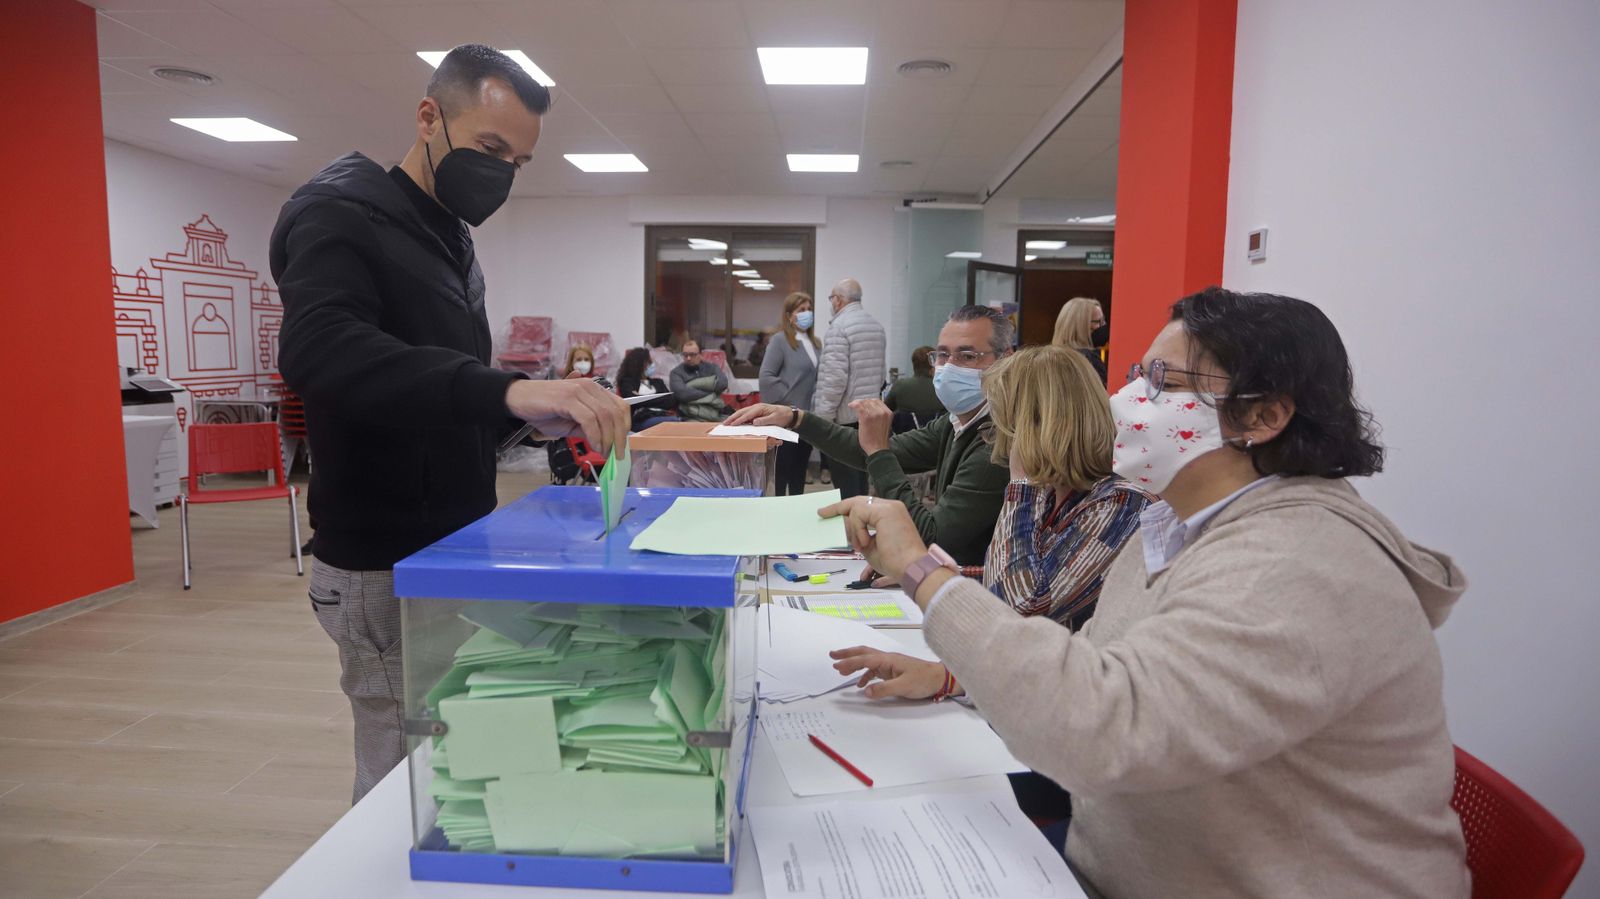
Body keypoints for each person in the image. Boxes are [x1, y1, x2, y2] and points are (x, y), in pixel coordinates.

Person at [826, 286, 1470, 899]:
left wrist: (919, 569)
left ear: (1263, 416)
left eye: (1163, 385)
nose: (1123, 402)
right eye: (1136, 375)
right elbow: (1112, 673)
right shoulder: (1175, 526)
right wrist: (953, 675)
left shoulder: (1297, 562)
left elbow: (1102, 731)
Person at [271, 45, 629, 803]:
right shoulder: (338, 211)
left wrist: (533, 423)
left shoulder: (449, 237)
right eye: (489, 148)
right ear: (428, 116)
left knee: (448, 765)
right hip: (383, 562)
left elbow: (443, 393)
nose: (501, 173)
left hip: (453, 545)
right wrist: (509, 390)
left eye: (519, 162)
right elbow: (321, 348)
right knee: (404, 786)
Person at [728, 305, 1011, 566]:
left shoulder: (995, 443)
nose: (949, 367)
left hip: (971, 590)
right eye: (943, 355)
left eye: (967, 356)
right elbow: (865, 448)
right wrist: (796, 418)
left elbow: (930, 536)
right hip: (944, 573)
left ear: (1004, 360)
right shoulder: (956, 424)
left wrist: (878, 451)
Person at [809, 277, 886, 499]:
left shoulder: (839, 328)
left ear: (839, 300)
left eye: (831, 298)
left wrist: (823, 418)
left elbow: (834, 379)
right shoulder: (876, 326)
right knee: (861, 474)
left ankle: (849, 529)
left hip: (843, 417)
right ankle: (863, 522)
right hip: (867, 415)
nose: (831, 303)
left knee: (844, 481)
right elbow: (881, 374)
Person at [758, 292, 821, 496]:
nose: (807, 313)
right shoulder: (780, 340)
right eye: (801, 310)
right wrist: (788, 402)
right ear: (789, 315)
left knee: (799, 472)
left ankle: (797, 513)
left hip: (807, 418)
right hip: (786, 418)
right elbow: (766, 377)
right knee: (782, 473)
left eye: (809, 309)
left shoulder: (815, 343)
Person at [614, 346, 677, 431]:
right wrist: (659, 397)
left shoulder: (658, 382)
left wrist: (642, 399)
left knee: (680, 423)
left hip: (661, 415)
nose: (652, 365)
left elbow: (670, 401)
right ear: (639, 363)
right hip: (641, 419)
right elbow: (633, 401)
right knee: (674, 422)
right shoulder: (627, 383)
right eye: (649, 362)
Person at [883, 344, 944, 429]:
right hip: (938, 439)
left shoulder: (900, 386)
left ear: (914, 364)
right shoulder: (942, 389)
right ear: (934, 364)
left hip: (904, 438)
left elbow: (884, 411)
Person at [1052, 296, 1109, 384]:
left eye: (1103, 321)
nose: (1103, 325)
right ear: (1081, 326)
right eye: (1098, 321)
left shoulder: (1048, 358)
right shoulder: (1089, 360)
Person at [669, 339, 728, 421]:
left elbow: (722, 384)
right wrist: (711, 393)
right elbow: (683, 394)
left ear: (701, 354)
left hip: (715, 414)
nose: (688, 358)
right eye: (685, 355)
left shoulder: (712, 368)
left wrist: (691, 387)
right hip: (689, 417)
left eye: (692, 355)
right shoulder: (676, 373)